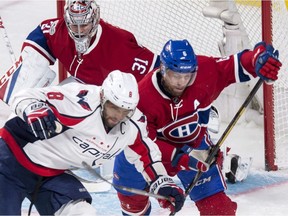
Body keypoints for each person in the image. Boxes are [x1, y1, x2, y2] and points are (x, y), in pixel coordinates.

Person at [113, 39, 282, 215]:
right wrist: (182, 160)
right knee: (134, 209)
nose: (181, 82)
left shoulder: (205, 71)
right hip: (140, 156)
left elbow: (237, 65)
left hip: (194, 148)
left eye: (187, 76)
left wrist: (258, 59)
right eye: (175, 76)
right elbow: (143, 145)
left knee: (218, 210)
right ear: (163, 70)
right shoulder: (143, 98)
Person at [0, 70, 185, 215]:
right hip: (10, 161)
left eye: (126, 110)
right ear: (103, 97)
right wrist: (33, 109)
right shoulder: (81, 102)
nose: (119, 116)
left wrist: (162, 183)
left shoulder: (133, 124)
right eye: (114, 107)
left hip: (51, 175)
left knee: (82, 212)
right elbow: (24, 95)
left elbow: (147, 155)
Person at [0, 0, 160, 104]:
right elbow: (42, 33)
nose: (78, 32)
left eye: (83, 25)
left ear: (95, 19)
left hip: (107, 99)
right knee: (35, 97)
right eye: (73, 25)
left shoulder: (119, 43)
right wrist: (28, 67)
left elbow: (157, 70)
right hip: (80, 85)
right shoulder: (59, 30)